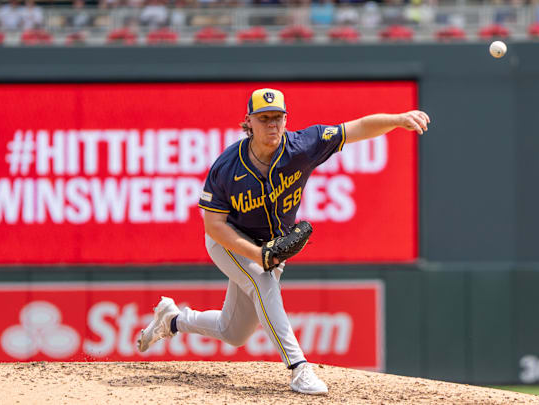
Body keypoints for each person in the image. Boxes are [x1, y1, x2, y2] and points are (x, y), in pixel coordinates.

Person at [137, 88, 430, 395]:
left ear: (286, 120)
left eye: (277, 118)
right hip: (231, 241)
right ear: (248, 122)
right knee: (262, 279)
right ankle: (299, 368)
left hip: (271, 248)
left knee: (233, 332)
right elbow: (213, 226)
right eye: (264, 119)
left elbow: (354, 128)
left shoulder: (303, 145)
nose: (272, 125)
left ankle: (172, 320)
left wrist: (397, 119)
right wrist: (256, 254)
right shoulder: (227, 167)